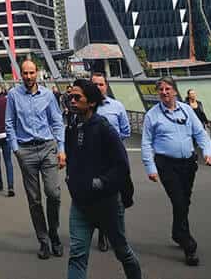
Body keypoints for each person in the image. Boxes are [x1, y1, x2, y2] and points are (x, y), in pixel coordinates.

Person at [65, 80, 142, 279]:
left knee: (122, 251)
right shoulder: (72, 128)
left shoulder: (104, 129)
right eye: (70, 97)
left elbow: (121, 166)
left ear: (91, 102)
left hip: (106, 204)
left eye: (77, 97)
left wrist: (99, 183)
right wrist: (71, 180)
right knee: (77, 255)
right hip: (80, 204)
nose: (72, 101)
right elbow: (72, 157)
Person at [142, 77, 211, 267]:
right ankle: (188, 245)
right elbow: (146, 143)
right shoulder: (152, 115)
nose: (164, 92)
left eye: (167, 89)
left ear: (175, 91)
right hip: (166, 165)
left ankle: (176, 232)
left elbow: (200, 133)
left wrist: (207, 152)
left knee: (184, 201)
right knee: (179, 200)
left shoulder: (187, 110)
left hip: (188, 164)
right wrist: (150, 168)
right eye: (161, 90)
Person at [5, 59, 66, 260]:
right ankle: (43, 241)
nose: (29, 76)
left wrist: (61, 148)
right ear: (20, 74)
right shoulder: (14, 95)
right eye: (25, 73)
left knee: (53, 193)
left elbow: (57, 122)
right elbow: (9, 123)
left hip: (48, 147)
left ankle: (54, 234)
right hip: (26, 151)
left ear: (37, 73)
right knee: (34, 200)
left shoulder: (48, 95)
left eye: (32, 73)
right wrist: (16, 149)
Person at [91, 71, 131, 252]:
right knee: (99, 197)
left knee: (118, 200)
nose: (98, 87)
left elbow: (126, 131)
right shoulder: (88, 107)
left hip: (115, 161)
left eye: (101, 84)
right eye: (95, 84)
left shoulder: (117, 106)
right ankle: (102, 232)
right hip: (95, 162)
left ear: (106, 86)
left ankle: (118, 236)